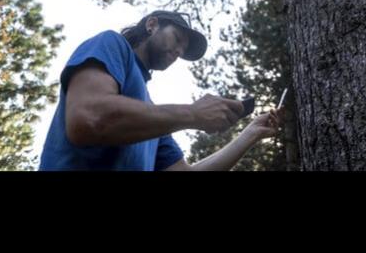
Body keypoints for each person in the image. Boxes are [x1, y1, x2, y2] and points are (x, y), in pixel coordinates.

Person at [39, 10, 285, 170]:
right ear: (152, 25)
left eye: (183, 50)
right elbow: (88, 118)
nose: (179, 52)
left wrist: (250, 134)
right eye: (177, 38)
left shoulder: (151, 117)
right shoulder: (111, 44)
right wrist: (193, 114)